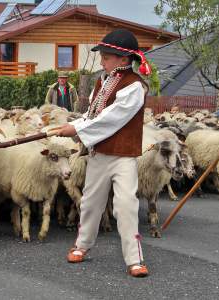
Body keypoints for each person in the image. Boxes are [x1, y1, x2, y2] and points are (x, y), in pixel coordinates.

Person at [54, 29, 151, 277]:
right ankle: (82, 245)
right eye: (103, 56)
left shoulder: (135, 86)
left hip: (123, 156)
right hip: (100, 153)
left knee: (126, 205)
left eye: (106, 56)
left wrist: (75, 128)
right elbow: (94, 114)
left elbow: (113, 118)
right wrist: (77, 123)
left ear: (123, 59)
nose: (102, 60)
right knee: (90, 203)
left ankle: (135, 259)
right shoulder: (103, 81)